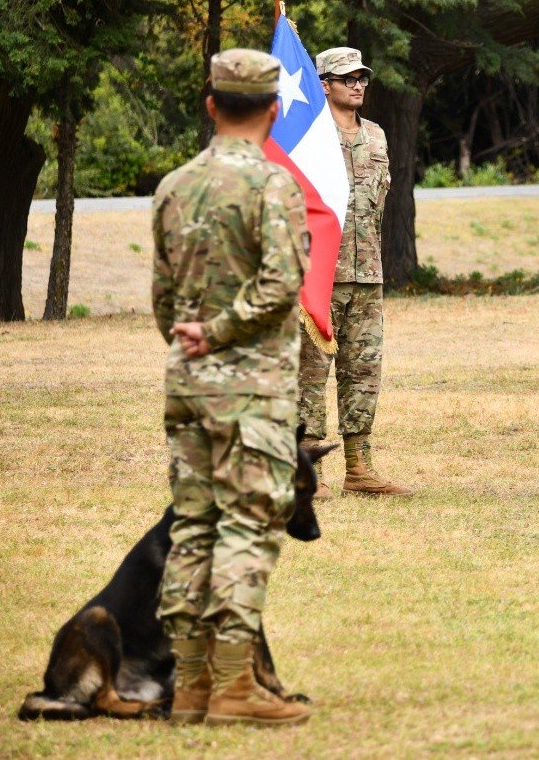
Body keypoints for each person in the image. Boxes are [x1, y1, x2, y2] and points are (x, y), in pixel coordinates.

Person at [152, 47, 313, 726]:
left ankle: (188, 688)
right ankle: (232, 690)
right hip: (252, 391)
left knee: (192, 527)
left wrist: (193, 341)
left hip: (188, 387)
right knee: (246, 528)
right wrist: (221, 334)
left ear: (212, 106)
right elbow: (281, 286)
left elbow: (164, 299)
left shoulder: (173, 185)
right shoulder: (272, 186)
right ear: (273, 111)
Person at [297, 47, 411, 497]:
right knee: (310, 371)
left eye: (362, 77)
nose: (358, 85)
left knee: (363, 371)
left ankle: (359, 469)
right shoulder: (307, 138)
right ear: (324, 84)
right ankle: (308, 470)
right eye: (347, 79)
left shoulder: (378, 136)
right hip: (319, 273)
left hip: (367, 274)